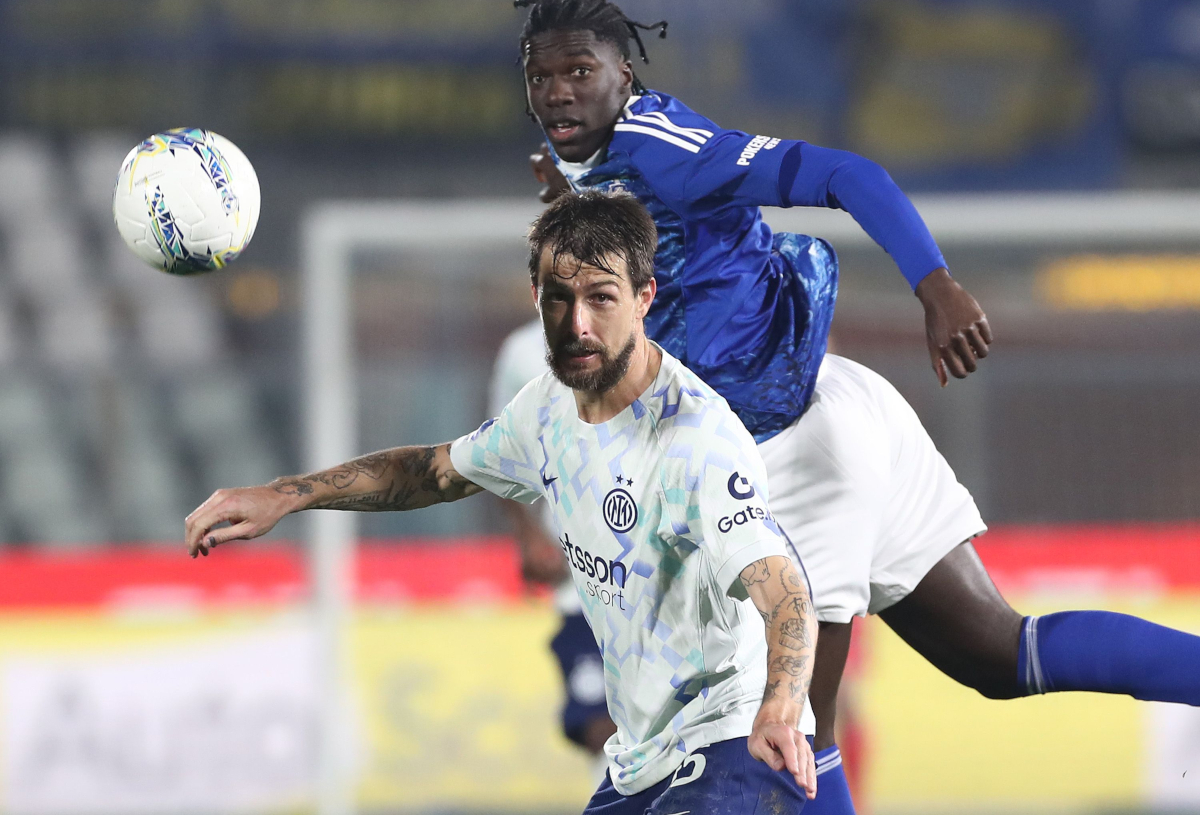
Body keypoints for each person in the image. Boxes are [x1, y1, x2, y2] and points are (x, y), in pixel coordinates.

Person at [514, 0, 1200, 813]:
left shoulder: (665, 149)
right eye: (541, 76)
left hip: (791, 449)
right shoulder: (595, 160)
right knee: (998, 652)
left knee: (793, 729)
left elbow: (848, 173)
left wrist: (935, 285)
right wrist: (575, 196)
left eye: (579, 72)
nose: (558, 91)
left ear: (624, 76)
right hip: (832, 406)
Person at [186, 192, 820, 813]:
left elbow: (786, 592)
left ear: (644, 298)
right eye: (559, 298)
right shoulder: (545, 408)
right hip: (643, 760)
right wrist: (282, 495)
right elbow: (433, 472)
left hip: (731, 740)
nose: (578, 324)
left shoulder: (696, 441)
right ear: (535, 298)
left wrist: (780, 705)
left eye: (602, 298)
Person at [488, 319, 617, 770]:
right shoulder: (523, 351)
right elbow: (498, 448)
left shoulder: (656, 334)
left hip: (658, 575)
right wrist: (528, 534)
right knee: (601, 726)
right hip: (580, 579)